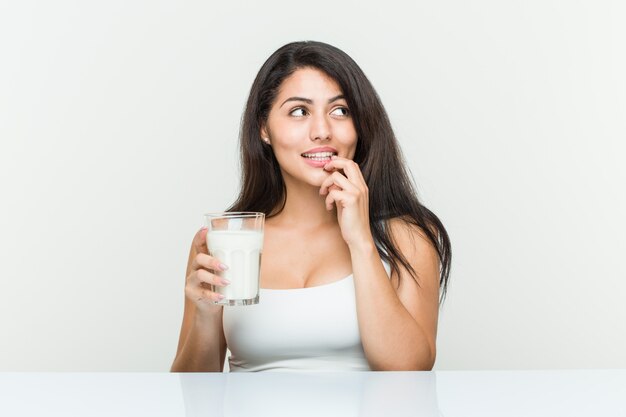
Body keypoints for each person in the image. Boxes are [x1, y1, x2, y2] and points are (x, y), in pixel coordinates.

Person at [171, 41, 451, 372]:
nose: (322, 131)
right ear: (264, 128)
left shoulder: (407, 237)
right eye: (299, 111)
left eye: (340, 111)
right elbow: (192, 394)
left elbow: (409, 371)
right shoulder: (226, 239)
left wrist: (361, 241)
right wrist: (204, 315)